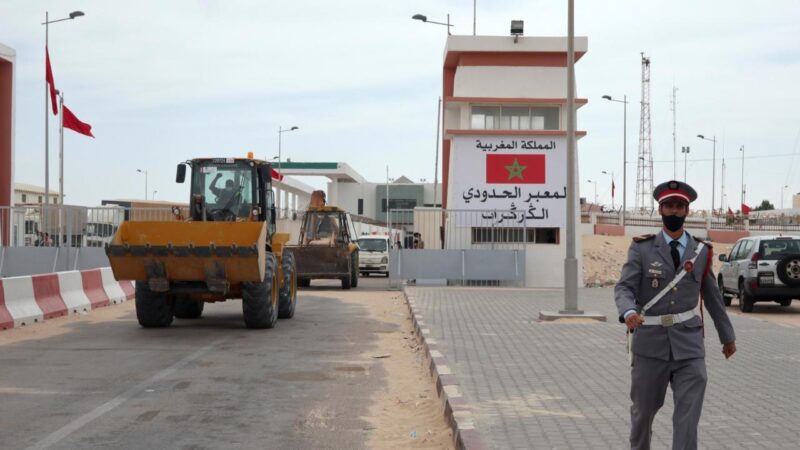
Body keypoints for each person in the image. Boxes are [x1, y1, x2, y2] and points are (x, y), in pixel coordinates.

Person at [615, 180, 736, 450]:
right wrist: (629, 310)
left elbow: (713, 297)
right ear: (660, 209)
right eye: (669, 205)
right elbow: (624, 287)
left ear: (687, 211)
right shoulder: (642, 248)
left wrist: (727, 337)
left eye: (680, 206)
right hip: (650, 344)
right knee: (643, 412)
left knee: (688, 415)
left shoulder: (702, 251)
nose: (674, 211)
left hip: (689, 343)